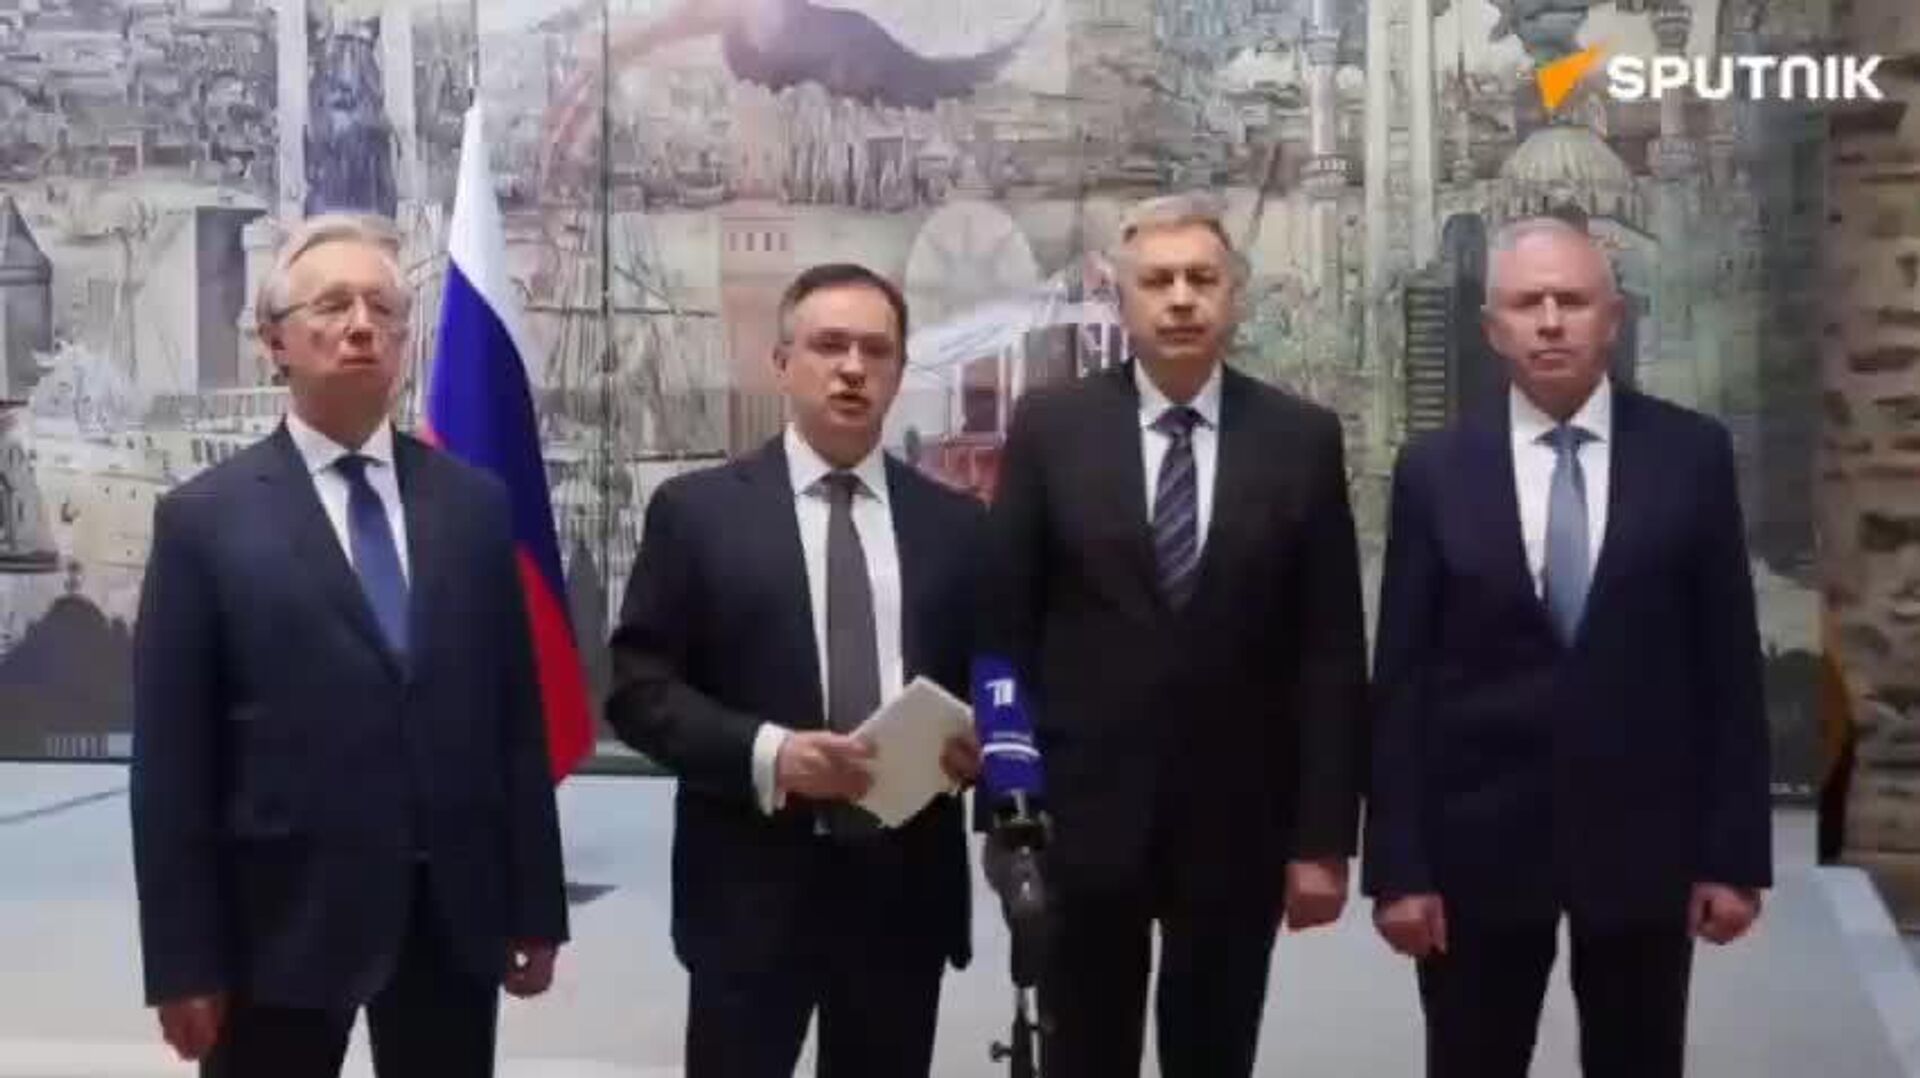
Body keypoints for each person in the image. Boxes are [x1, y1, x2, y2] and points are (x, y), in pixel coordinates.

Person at [129, 213, 568, 1078]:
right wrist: (181, 960)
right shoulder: (204, 521)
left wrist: (535, 902)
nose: (362, 325)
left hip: (450, 916)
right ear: (275, 342)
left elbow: (514, 720)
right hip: (279, 925)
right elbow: (173, 765)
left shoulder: (473, 507)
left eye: (383, 309)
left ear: (404, 339)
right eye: (332, 306)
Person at [1364, 216, 1771, 1078]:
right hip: (1476, 850)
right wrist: (1399, 867)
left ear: (1613, 318)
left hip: (1644, 843)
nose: (1550, 322)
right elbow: (1401, 681)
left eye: (1572, 301)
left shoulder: (1691, 456)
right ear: (1492, 328)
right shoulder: (1434, 470)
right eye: (1527, 303)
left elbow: (1729, 667)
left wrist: (1734, 856)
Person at [980, 192, 1370, 1078]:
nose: (1182, 299)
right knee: (1086, 1059)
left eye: (1202, 278)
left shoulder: (1302, 440)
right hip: (1082, 823)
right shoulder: (1052, 428)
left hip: (1240, 825)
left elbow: (1330, 653)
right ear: (1123, 300)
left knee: (1215, 1056)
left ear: (1235, 295)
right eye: (1158, 281)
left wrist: (1323, 838)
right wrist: (1007, 814)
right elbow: (1004, 629)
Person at [606, 262, 982, 1078]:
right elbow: (639, 691)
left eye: (875, 351)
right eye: (829, 345)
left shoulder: (956, 526)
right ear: (782, 364)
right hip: (748, 891)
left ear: (899, 371)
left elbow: (993, 682)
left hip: (901, 894)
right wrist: (772, 754)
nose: (852, 368)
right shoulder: (698, 514)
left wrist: (983, 748)